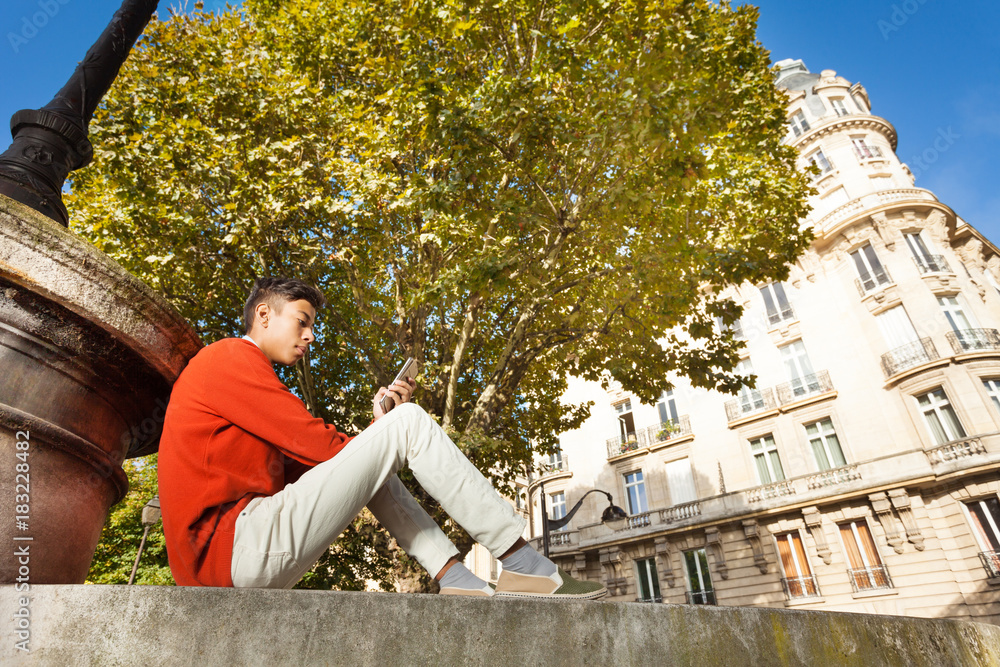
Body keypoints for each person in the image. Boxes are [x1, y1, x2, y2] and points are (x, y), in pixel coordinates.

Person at [158, 276, 606, 599]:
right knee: (409, 421)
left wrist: (378, 431)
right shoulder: (229, 358)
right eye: (302, 321)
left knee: (382, 454)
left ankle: (455, 578)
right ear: (263, 314)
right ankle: (524, 563)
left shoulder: (243, 390)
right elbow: (317, 444)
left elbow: (329, 468)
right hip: (231, 549)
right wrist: (391, 430)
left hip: (237, 557)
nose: (310, 336)